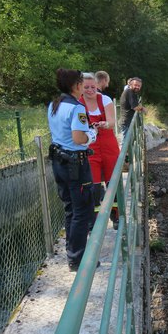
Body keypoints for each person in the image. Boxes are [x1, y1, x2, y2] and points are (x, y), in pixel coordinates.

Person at [47, 68, 97, 271]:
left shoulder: (54, 104)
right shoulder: (77, 108)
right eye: (82, 84)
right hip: (76, 164)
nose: (84, 88)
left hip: (59, 163)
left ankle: (72, 255)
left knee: (70, 209)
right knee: (82, 211)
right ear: (77, 86)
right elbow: (78, 138)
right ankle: (78, 259)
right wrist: (92, 136)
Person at [80, 73, 121, 229]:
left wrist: (105, 123)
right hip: (90, 147)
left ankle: (116, 216)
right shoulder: (78, 103)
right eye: (86, 87)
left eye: (93, 87)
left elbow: (112, 122)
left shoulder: (105, 99)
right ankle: (94, 221)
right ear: (80, 87)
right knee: (93, 184)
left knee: (112, 181)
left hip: (108, 145)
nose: (90, 90)